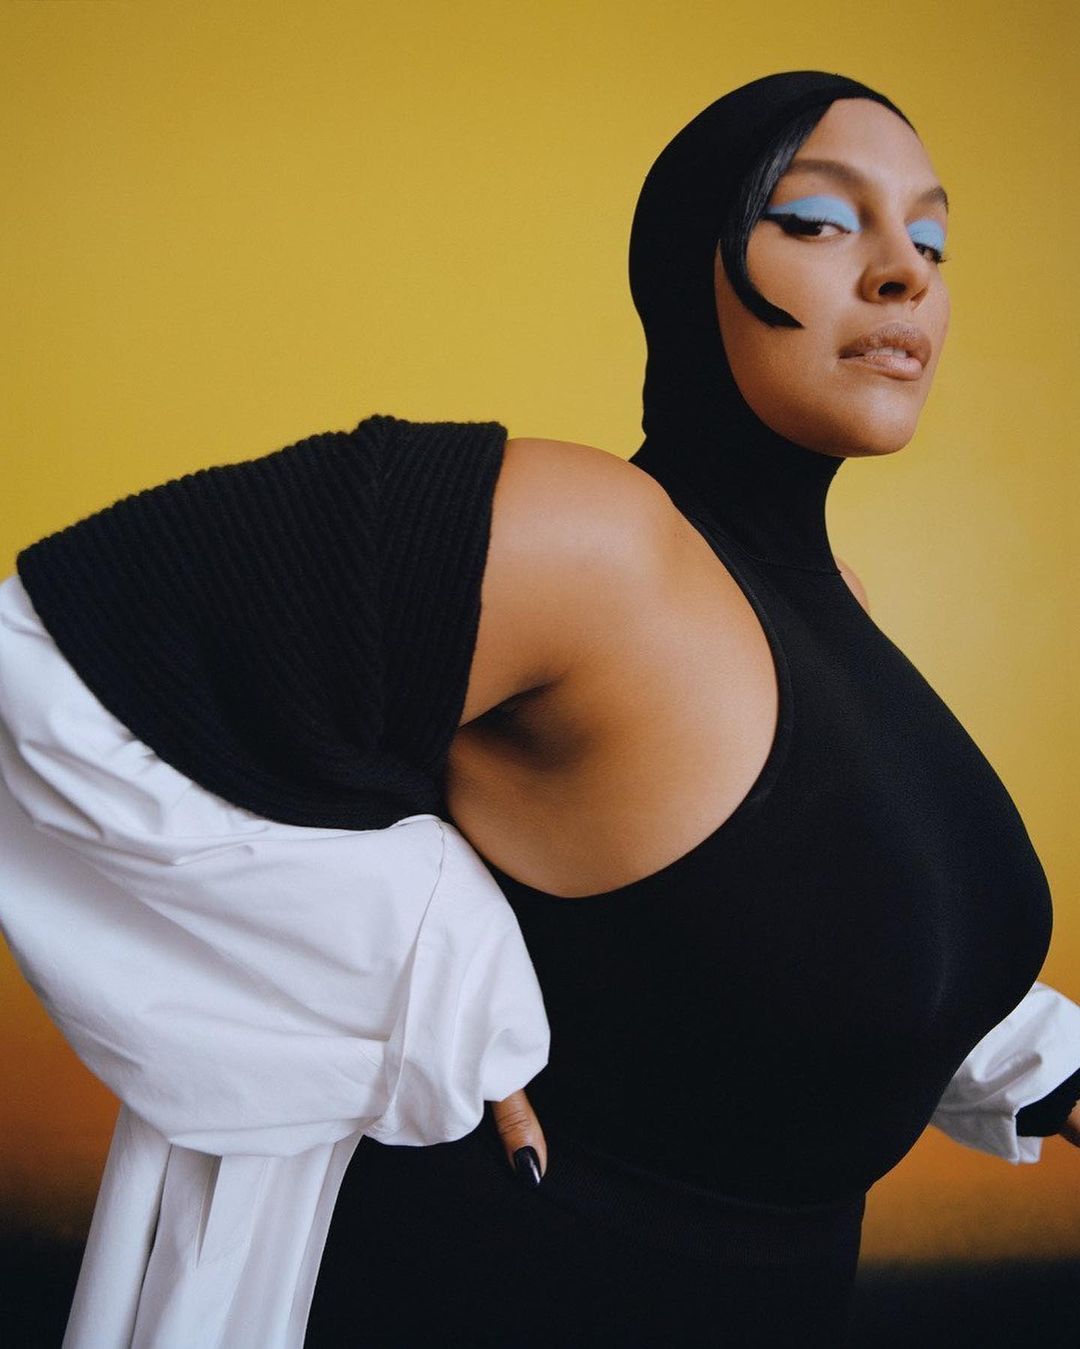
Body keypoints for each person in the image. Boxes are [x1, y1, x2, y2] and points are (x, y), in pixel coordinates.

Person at [0, 69, 1077, 1348]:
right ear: (688, 266)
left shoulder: (831, 602)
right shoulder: (593, 540)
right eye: (818, 219)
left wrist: (1040, 1062)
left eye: (932, 239)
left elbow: (803, 928)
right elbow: (33, 656)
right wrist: (432, 967)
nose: (905, 273)